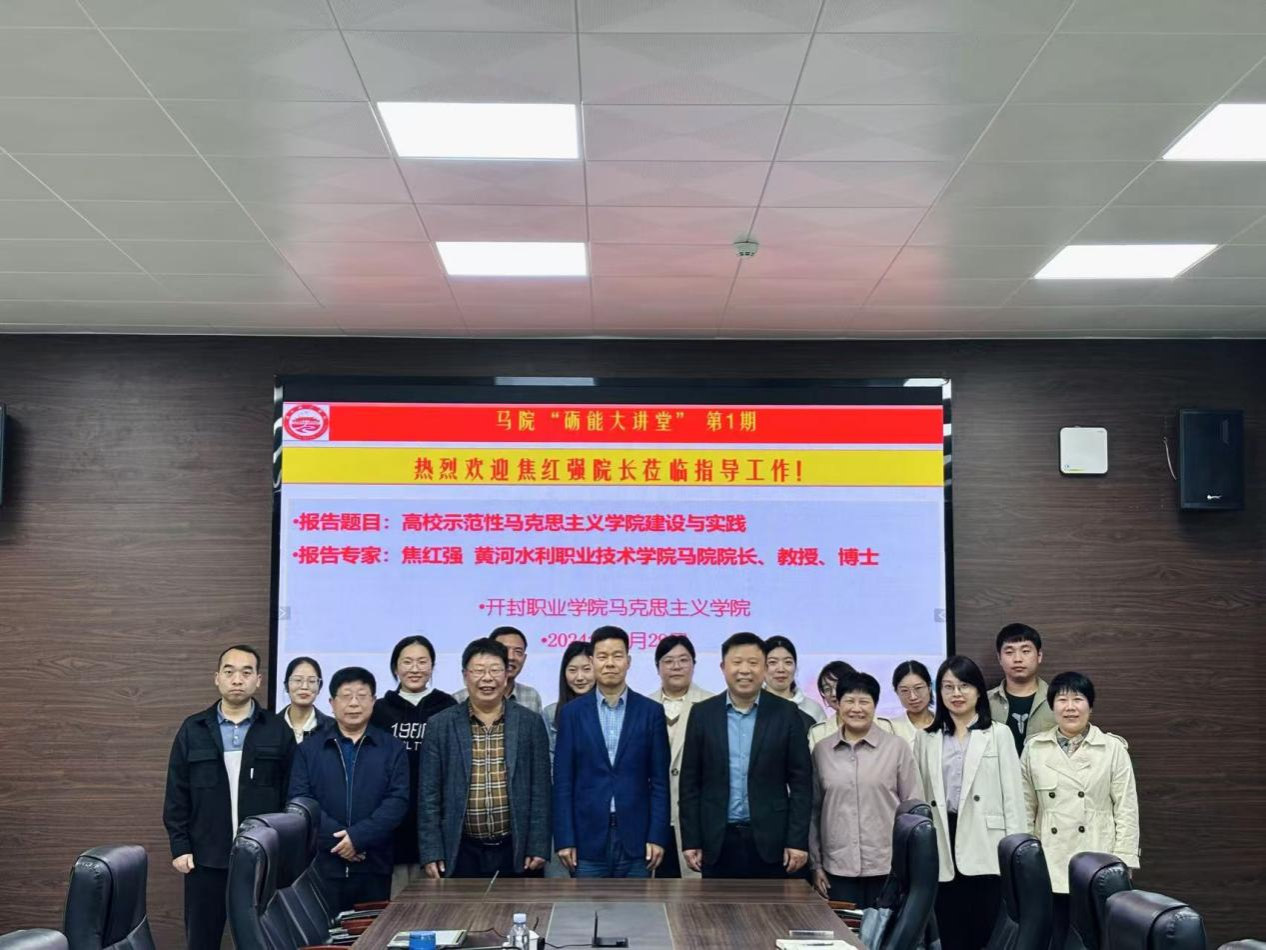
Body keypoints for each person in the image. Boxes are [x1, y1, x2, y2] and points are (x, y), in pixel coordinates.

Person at [163, 646, 296, 950]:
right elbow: (176, 792)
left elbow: (291, 794)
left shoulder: (276, 729)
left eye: (246, 672)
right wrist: (180, 846)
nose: (237, 679)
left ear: (258, 680)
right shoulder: (193, 729)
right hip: (205, 858)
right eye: (229, 671)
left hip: (262, 858)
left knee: (261, 941)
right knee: (202, 941)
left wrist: (284, 851)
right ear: (217, 678)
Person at [679, 632, 813, 879]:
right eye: (737, 662)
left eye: (753, 663)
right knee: (716, 905)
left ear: (764, 668)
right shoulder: (702, 714)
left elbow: (801, 783)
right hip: (717, 840)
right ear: (723, 667)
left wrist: (797, 841)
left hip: (772, 840)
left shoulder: (786, 713)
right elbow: (689, 783)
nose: (745, 670)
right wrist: (691, 840)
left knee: (772, 905)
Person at [1021, 672, 1140, 950]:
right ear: (1052, 707)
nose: (1070, 707)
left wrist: (1123, 862)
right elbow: (1025, 808)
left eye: (1078, 699)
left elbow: (1126, 808)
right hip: (1050, 860)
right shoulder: (1035, 749)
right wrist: (1026, 862)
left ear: (1090, 706)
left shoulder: (1112, 749)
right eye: (1062, 700)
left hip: (1098, 858)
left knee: (1095, 939)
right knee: (1054, 937)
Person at [915, 655, 1026, 950]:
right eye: (948, 687)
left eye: (964, 685)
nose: (956, 693)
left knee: (985, 933)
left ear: (978, 690)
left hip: (986, 843)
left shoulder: (998, 734)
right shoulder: (926, 738)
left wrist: (1015, 855)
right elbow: (920, 798)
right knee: (950, 933)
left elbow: (1014, 798)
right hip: (943, 841)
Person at [417, 638, 552, 879]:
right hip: (460, 849)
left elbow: (540, 790)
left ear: (506, 675)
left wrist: (538, 845)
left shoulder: (530, 723)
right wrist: (431, 851)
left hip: (516, 848)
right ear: (465, 676)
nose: (487, 678)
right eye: (478, 670)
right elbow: (429, 794)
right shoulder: (440, 725)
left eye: (495, 670)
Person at [553, 625, 671, 878]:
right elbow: (563, 781)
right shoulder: (572, 714)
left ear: (628, 661)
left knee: (636, 904)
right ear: (592, 661)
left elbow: (660, 782)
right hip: (586, 840)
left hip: (638, 840)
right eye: (602, 656)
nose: (610, 663)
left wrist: (657, 835)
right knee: (586, 904)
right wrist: (564, 838)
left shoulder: (650, 712)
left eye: (617, 656)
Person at [288, 667, 409, 912]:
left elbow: (397, 801)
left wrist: (358, 837)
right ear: (332, 703)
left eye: (362, 696)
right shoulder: (309, 750)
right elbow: (300, 800)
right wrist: (341, 841)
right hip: (322, 865)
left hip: (374, 864)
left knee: (371, 931)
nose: (354, 703)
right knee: (322, 932)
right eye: (346, 696)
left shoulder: (392, 748)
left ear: (373, 701)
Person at [810, 672, 921, 908]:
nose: (857, 708)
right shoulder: (821, 751)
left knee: (886, 931)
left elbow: (913, 809)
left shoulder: (896, 748)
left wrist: (912, 864)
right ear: (838, 704)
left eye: (864, 701)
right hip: (837, 868)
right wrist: (816, 865)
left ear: (875, 705)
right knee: (844, 931)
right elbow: (814, 812)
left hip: (888, 867)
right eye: (849, 701)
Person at [371, 635, 457, 897]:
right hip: (393, 824)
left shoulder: (448, 707)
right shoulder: (380, 710)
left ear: (432, 666)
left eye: (422, 661)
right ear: (395, 667)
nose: (415, 669)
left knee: (437, 904)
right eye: (407, 662)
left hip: (437, 821)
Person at [648, 634, 713, 879]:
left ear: (694, 664)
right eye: (668, 661)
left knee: (695, 895)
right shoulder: (643, 706)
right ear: (657, 667)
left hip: (696, 820)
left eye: (683, 660)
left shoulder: (712, 705)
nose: (676, 666)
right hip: (653, 820)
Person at [988, 623, 1056, 754]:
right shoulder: (984, 702)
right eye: (1009, 652)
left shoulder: (1057, 701)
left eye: (1025, 651)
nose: (1018, 659)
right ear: (999, 658)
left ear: (1039, 656)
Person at [454, 625, 542, 714]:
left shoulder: (531, 696)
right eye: (504, 650)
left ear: (524, 658)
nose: (511, 657)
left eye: (518, 652)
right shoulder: (458, 699)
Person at [808, 661, 895, 750]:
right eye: (827, 689)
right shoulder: (818, 732)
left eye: (838, 686)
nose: (833, 693)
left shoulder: (885, 726)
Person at [542, 640, 595, 756]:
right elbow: (549, 758)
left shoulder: (610, 709)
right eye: (572, 670)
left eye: (587, 669)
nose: (579, 677)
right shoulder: (550, 713)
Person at [763, 635, 827, 722]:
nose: (781, 669)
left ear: (796, 667)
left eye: (788, 662)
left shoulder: (813, 710)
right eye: (773, 662)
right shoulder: (751, 706)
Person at [279, 655, 332, 743]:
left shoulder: (332, 728)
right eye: (298, 680)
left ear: (319, 686)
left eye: (311, 681)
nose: (304, 687)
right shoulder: (271, 726)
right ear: (286, 685)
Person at [889, 660, 936, 747]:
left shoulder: (946, 724)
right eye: (905, 690)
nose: (913, 697)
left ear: (929, 687)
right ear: (896, 692)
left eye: (918, 688)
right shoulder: (891, 728)